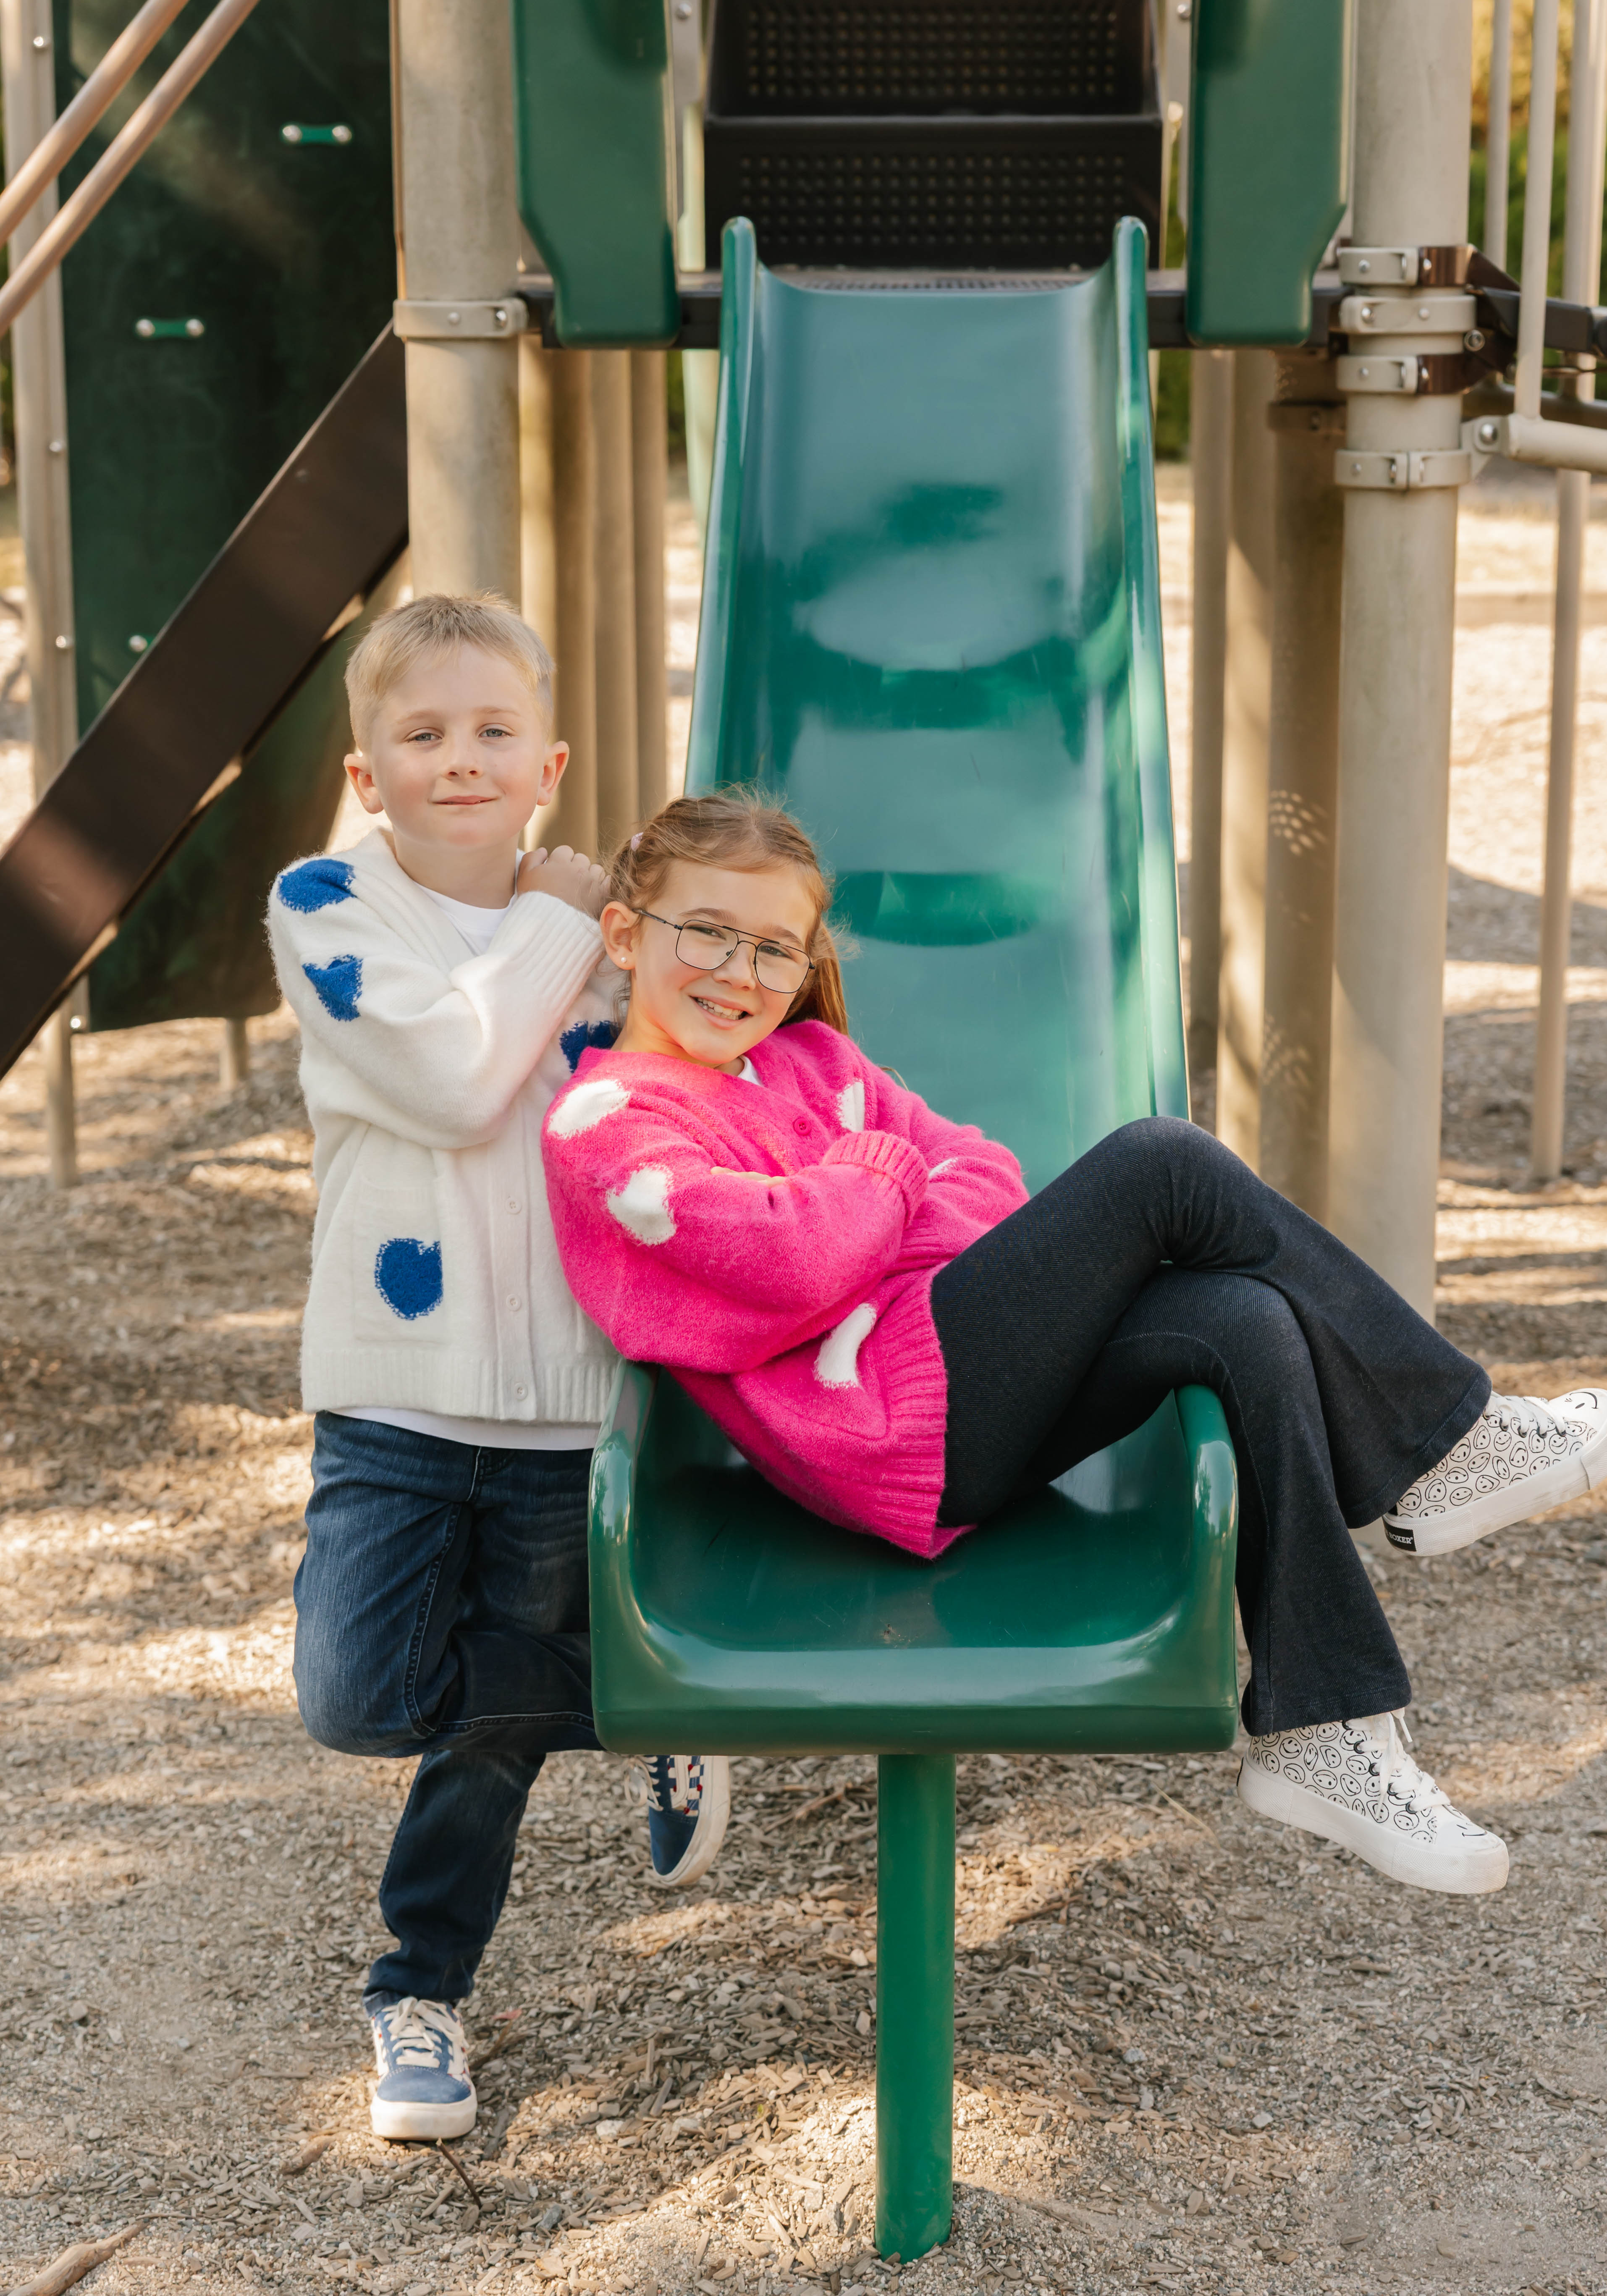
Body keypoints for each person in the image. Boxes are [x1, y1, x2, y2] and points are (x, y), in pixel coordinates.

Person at [542, 792, 1607, 1901]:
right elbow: (794, 1261)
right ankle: (1447, 1442)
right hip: (883, 1435)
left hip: (959, 1380)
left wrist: (863, 1207)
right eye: (705, 931)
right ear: (626, 934)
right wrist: (877, 1183)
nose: (739, 973)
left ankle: (1321, 1725)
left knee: (1241, 1321)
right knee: (1162, 1163)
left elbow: (983, 1175)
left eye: (774, 948)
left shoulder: (808, 1061)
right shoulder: (608, 1131)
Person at [267, 597, 729, 2144]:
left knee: (483, 1730)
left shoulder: (614, 944)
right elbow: (463, 1080)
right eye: (422, 734)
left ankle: (420, 1994)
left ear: (548, 760)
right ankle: (670, 1700)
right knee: (354, 1699)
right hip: (397, 1396)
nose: (457, 759)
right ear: (366, 770)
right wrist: (557, 915)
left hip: (565, 1404)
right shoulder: (326, 904)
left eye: (488, 732)